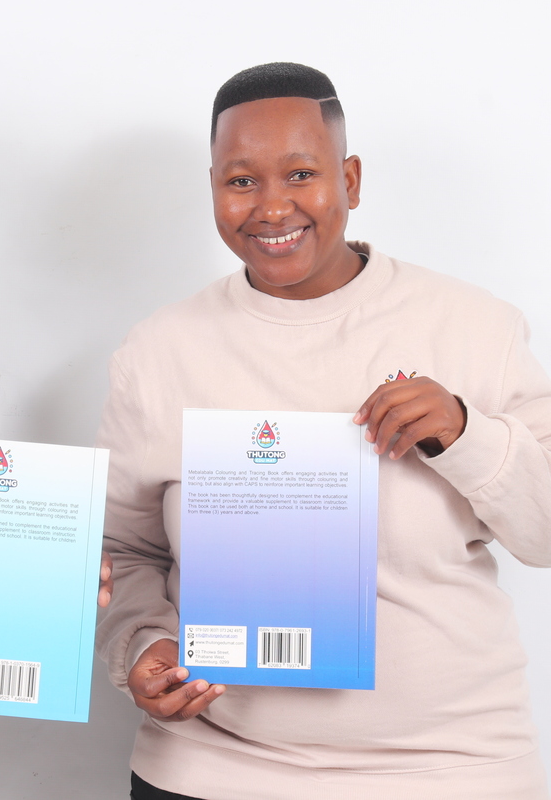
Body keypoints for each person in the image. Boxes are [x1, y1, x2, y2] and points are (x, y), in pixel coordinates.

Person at [96, 62, 551, 799]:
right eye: (241, 181)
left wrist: (467, 434)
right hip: (214, 768)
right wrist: (142, 644)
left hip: (451, 769)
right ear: (212, 187)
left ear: (351, 179)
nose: (272, 207)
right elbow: (124, 550)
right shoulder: (159, 352)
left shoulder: (474, 326)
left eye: (301, 174)